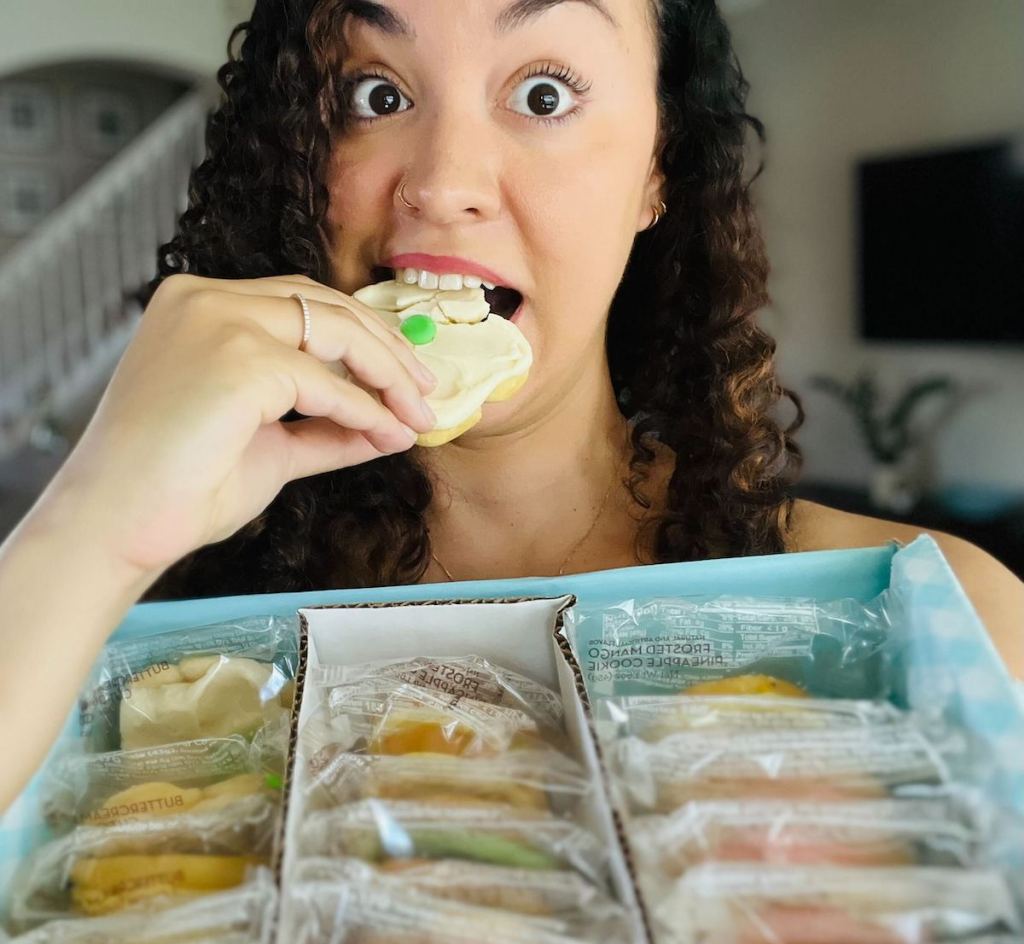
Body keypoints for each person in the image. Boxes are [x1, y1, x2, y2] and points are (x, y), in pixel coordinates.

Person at [0, 0, 1020, 816]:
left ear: (659, 167)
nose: (442, 187)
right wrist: (94, 525)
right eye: (373, 92)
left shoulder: (942, 619)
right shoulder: (131, 657)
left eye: (541, 92)